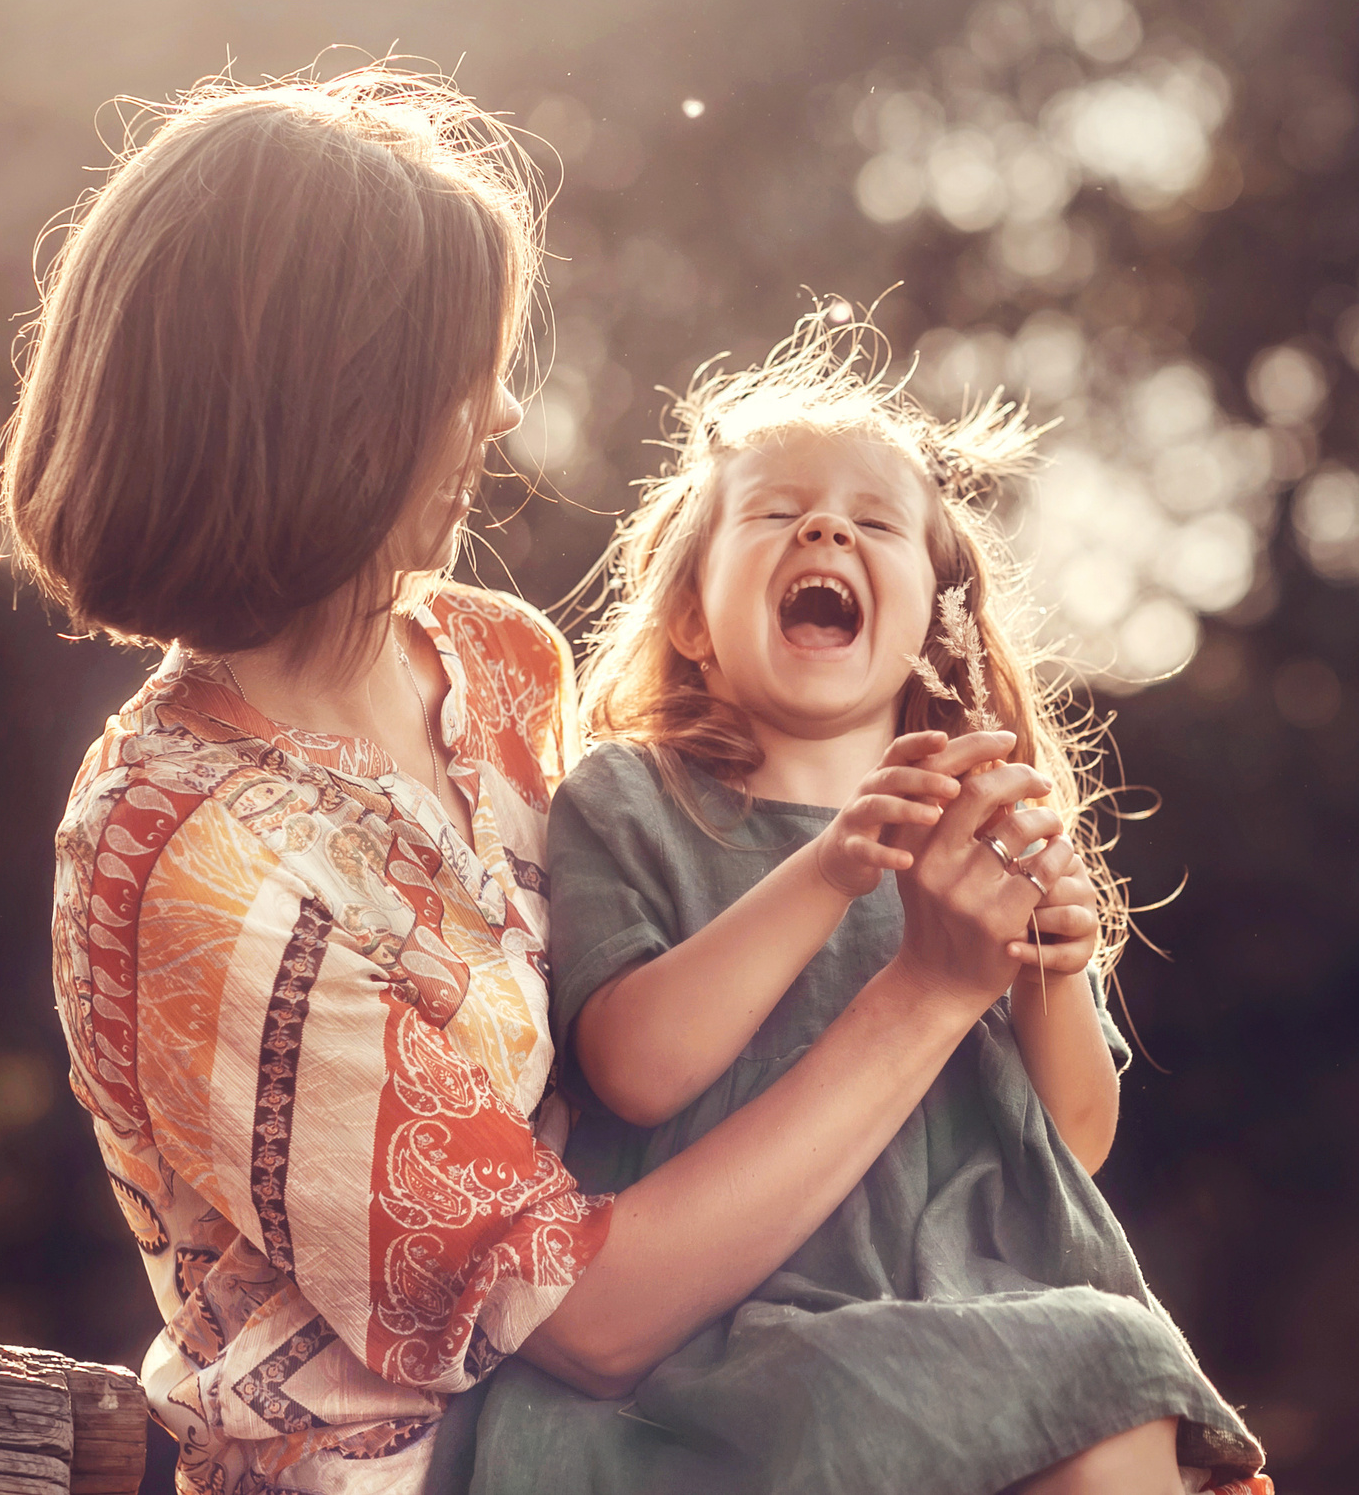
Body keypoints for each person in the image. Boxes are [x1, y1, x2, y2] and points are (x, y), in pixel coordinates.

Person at [0, 66, 1231, 1495]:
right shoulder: (191, 855)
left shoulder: (490, 662)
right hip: (469, 1457)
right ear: (333, 407)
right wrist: (931, 987)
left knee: (1087, 1388)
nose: (503, 415)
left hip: (707, 1398)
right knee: (1088, 1376)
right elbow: (581, 1319)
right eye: (460, 369)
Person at [461, 318, 1267, 1495]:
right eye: (776, 511)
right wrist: (831, 869)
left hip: (971, 1302)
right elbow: (633, 1065)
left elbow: (1072, 1141)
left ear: (935, 619)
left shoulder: (978, 831)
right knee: (1087, 1364)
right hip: (739, 1331)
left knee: (1112, 1368)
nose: (826, 526)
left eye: (873, 520)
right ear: (691, 616)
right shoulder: (632, 796)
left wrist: (1045, 971)